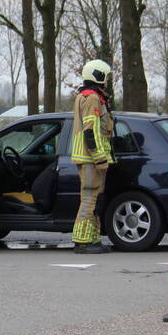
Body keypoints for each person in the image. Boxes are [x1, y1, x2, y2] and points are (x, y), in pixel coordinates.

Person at [70, 59, 114, 254]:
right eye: (106, 77)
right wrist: (100, 158)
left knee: (94, 198)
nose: (107, 81)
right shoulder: (93, 98)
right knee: (89, 198)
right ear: (99, 76)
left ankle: (92, 239)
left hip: (88, 158)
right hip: (90, 159)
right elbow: (91, 131)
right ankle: (82, 241)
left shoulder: (86, 96)